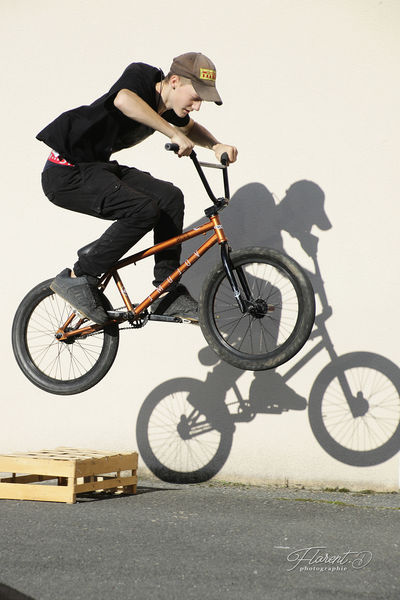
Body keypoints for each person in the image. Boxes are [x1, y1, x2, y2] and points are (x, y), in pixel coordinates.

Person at [37, 52, 238, 324]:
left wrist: (216, 145)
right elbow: (123, 100)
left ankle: (167, 292)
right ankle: (80, 276)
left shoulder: (168, 111)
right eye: (196, 96)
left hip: (96, 167)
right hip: (66, 171)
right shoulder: (143, 76)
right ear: (174, 81)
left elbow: (191, 128)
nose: (198, 105)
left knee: (169, 197)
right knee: (143, 209)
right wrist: (172, 132)